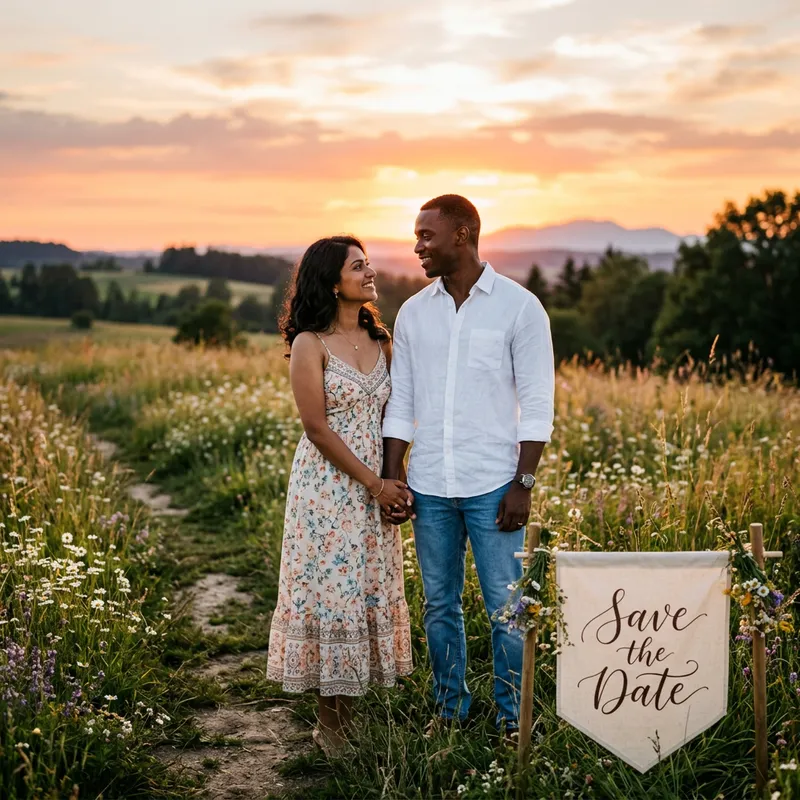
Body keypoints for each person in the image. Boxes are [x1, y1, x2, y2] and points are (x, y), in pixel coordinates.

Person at [382, 195, 555, 736]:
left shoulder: (520, 307)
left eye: (426, 236)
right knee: (439, 607)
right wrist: (394, 474)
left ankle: (512, 720)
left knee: (507, 610)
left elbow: (538, 401)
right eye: (415, 236)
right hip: (430, 487)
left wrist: (522, 484)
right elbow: (402, 400)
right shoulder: (413, 312)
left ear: (462, 234)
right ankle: (450, 710)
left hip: (494, 486)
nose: (417, 247)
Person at [267, 236, 413, 757]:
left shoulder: (382, 339)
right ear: (332, 281)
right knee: (333, 597)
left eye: (368, 263)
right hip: (328, 489)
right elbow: (316, 427)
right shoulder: (311, 343)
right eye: (358, 266)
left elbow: (397, 415)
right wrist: (373, 483)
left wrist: (396, 481)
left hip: (376, 485)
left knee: (362, 592)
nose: (370, 272)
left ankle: (347, 718)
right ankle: (329, 726)